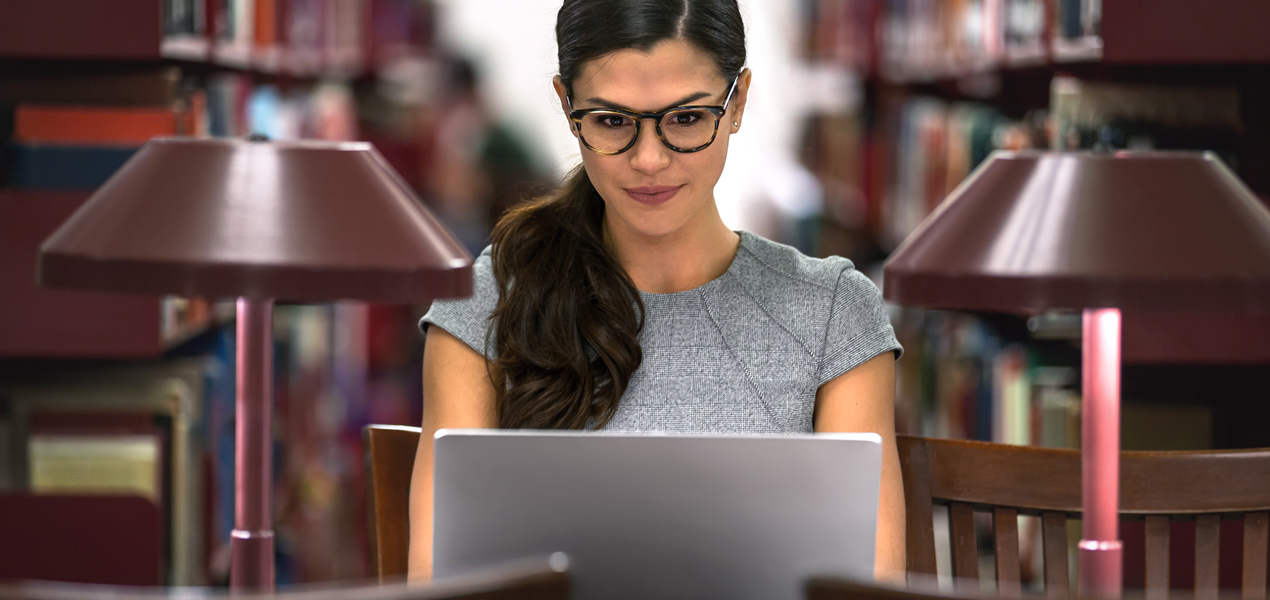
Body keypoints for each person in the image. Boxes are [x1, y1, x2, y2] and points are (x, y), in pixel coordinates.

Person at [409, 0, 905, 582]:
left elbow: (866, 583)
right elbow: (439, 579)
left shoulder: (834, 314)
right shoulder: (490, 300)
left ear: (738, 102)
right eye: (611, 121)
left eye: (687, 118)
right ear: (568, 107)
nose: (649, 160)